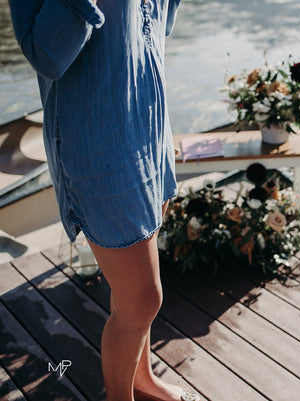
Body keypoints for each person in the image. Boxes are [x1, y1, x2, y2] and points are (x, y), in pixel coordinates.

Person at [8, 1, 199, 400]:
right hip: (100, 140)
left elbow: (154, 27)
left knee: (133, 295)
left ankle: (141, 380)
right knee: (142, 299)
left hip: (147, 121)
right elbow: (47, 54)